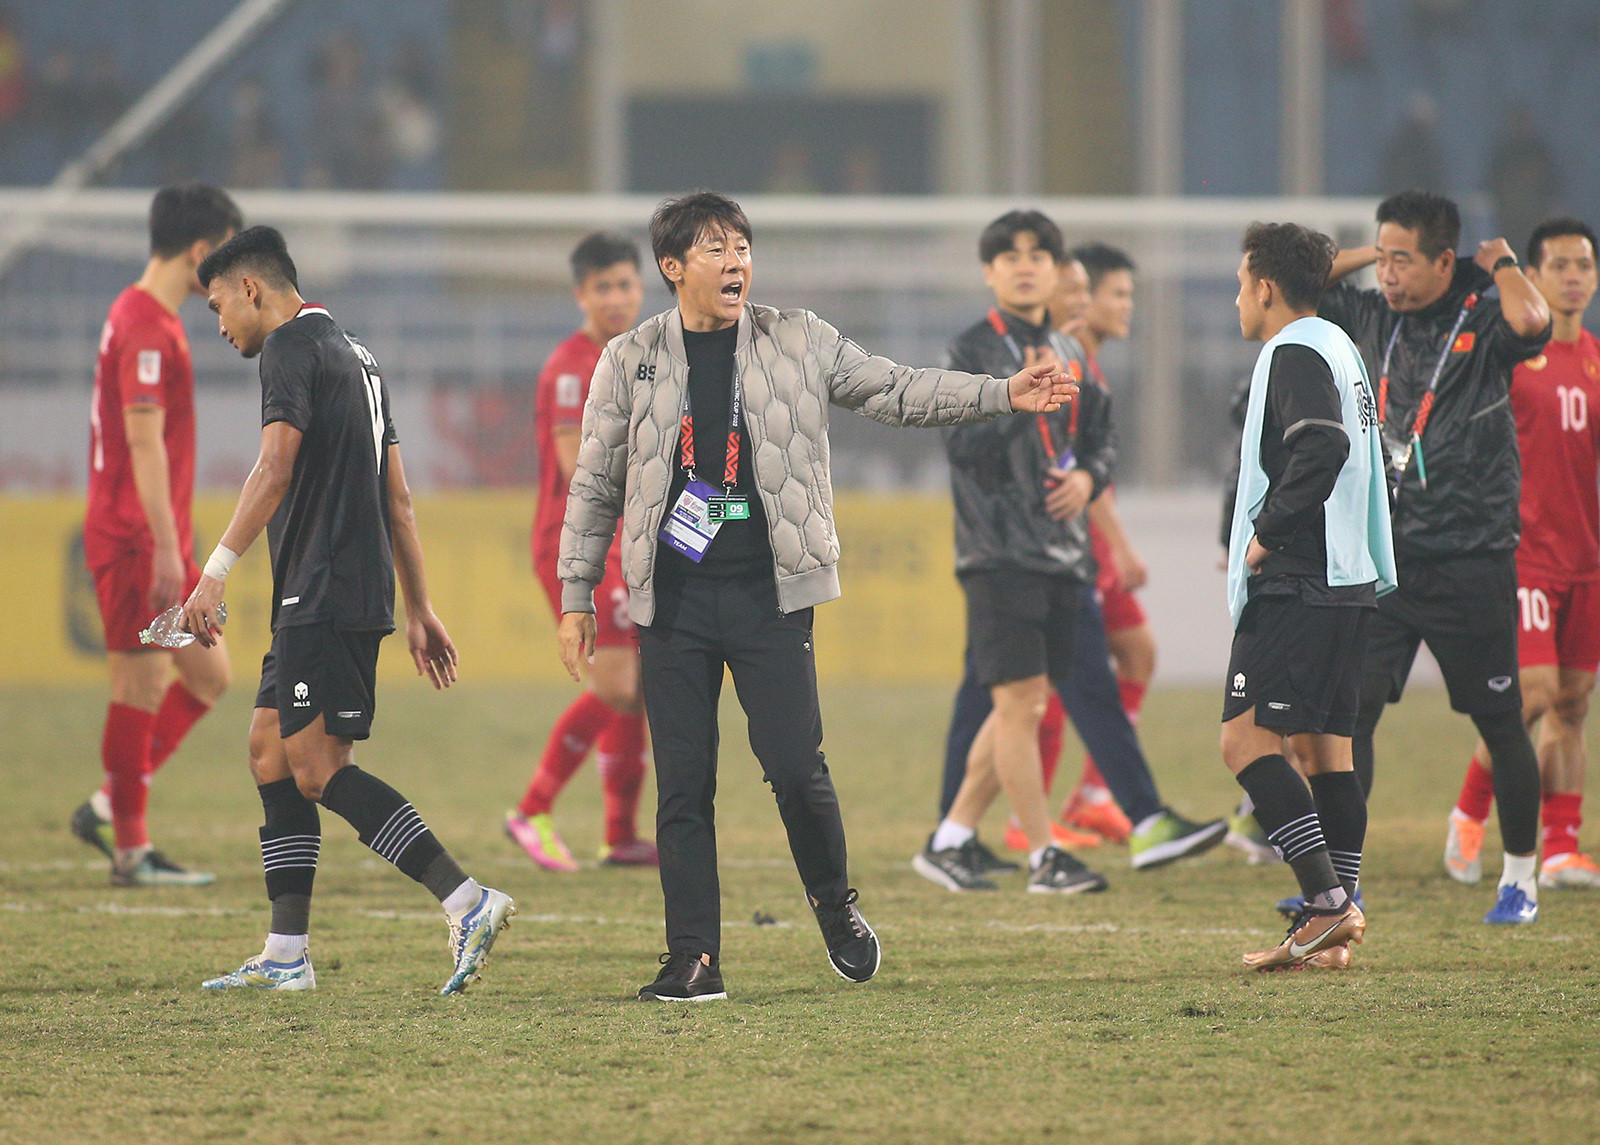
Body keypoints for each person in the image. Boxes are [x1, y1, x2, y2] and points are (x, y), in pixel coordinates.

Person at [556, 192, 1078, 1001]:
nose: (735, 262)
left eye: (742, 246)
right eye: (715, 249)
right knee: (685, 785)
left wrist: (1003, 393)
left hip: (771, 594)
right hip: (673, 600)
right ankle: (694, 958)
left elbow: (898, 391)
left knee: (797, 769)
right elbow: (593, 481)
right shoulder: (632, 358)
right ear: (673, 267)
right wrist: (576, 593)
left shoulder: (797, 338)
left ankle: (836, 909)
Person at [183, 226, 514, 993]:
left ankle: (467, 899)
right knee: (270, 750)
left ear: (252, 288)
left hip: (323, 590)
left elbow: (273, 467)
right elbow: (394, 493)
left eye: (218, 304)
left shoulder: (289, 349)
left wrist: (214, 572)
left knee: (319, 766)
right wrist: (421, 604)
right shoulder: (358, 355)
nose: (220, 322)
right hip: (339, 587)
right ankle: (286, 953)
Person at [916, 212, 1226, 894]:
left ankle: (951, 836)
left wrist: (1088, 479)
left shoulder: (1073, 351)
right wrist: (1011, 403)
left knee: (1014, 708)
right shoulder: (969, 349)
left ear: (1056, 271)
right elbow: (958, 444)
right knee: (1022, 704)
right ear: (989, 272)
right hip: (998, 552)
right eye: (1010, 256)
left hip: (1064, 554)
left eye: (1038, 255)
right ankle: (1044, 855)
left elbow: (1102, 444)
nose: (1025, 265)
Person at [1319, 189, 1552, 925]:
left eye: (1403, 260)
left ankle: (1520, 879)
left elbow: (1533, 320)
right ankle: (1344, 884)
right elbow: (1310, 275)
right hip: (1385, 556)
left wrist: (1503, 264)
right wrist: (1374, 250)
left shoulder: (1482, 316)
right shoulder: (1371, 314)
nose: (1386, 273)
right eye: (1381, 258)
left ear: (1445, 262)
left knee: (1499, 718)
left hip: (1470, 554)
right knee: (1350, 717)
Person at [1222, 222, 1395, 971]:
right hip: (1348, 574)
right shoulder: (1341, 347)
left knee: (1244, 740)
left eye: (1239, 282)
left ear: (1264, 285)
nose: (1238, 297)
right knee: (1328, 749)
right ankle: (1336, 921)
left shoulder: (1292, 348)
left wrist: (1267, 531)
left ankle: (1326, 905)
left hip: (1301, 575)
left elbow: (1319, 442)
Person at [74, 184, 241, 887]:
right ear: (201, 251)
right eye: (228, 258)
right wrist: (170, 545)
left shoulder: (144, 315)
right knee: (139, 686)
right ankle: (132, 849)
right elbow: (143, 443)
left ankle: (111, 805)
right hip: (138, 537)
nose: (233, 277)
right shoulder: (145, 325)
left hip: (147, 529)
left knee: (209, 675)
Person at [1446, 218, 1600, 890]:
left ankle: (1562, 846)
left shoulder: (1596, 361)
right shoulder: (1510, 360)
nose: (1573, 276)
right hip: (1524, 553)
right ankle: (1468, 813)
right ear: (1533, 277)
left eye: (1584, 265)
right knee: (1531, 696)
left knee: (1572, 702)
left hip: (1586, 558)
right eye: (1559, 265)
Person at [507, 232, 656, 871]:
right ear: (581, 295)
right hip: (581, 547)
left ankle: (619, 834)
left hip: (628, 541)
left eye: (625, 284)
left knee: (642, 683)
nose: (617, 298)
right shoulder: (573, 366)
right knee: (621, 686)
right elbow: (578, 470)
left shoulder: (642, 356)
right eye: (603, 288)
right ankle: (531, 808)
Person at [1058, 242, 1157, 844]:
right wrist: (1119, 546)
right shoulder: (1067, 366)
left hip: (1093, 539)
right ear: (1084, 297)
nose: (1127, 306)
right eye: (1118, 294)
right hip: (1075, 543)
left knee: (1138, 654)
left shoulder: (1087, 363)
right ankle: (1023, 820)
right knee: (1042, 683)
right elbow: (1074, 466)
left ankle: (1093, 795)